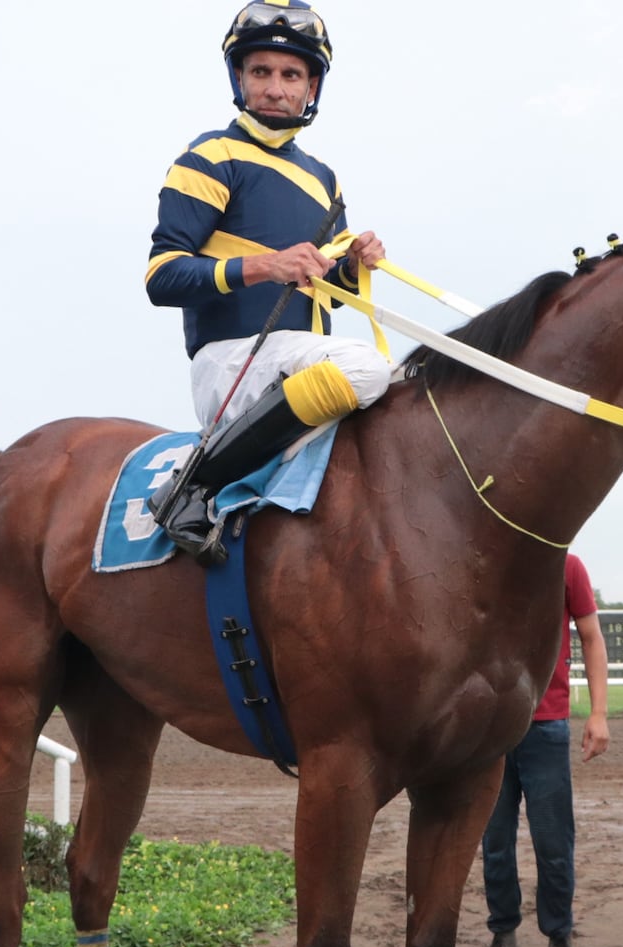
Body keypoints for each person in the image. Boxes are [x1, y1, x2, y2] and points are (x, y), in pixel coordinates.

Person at [143, 1, 390, 561]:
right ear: (240, 78)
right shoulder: (209, 156)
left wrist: (355, 266)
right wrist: (264, 266)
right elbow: (161, 278)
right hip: (230, 363)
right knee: (366, 368)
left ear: (311, 87)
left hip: (299, 360)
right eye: (261, 72)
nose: (274, 88)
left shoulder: (325, 180)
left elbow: (336, 292)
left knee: (397, 384)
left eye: (290, 75)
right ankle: (193, 486)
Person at [474, 552, 610, 947]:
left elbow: (591, 636)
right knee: (495, 839)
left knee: (552, 839)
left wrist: (599, 714)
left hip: (546, 724)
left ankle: (559, 941)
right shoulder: (483, 562)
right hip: (489, 730)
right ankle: (503, 936)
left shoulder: (567, 568)